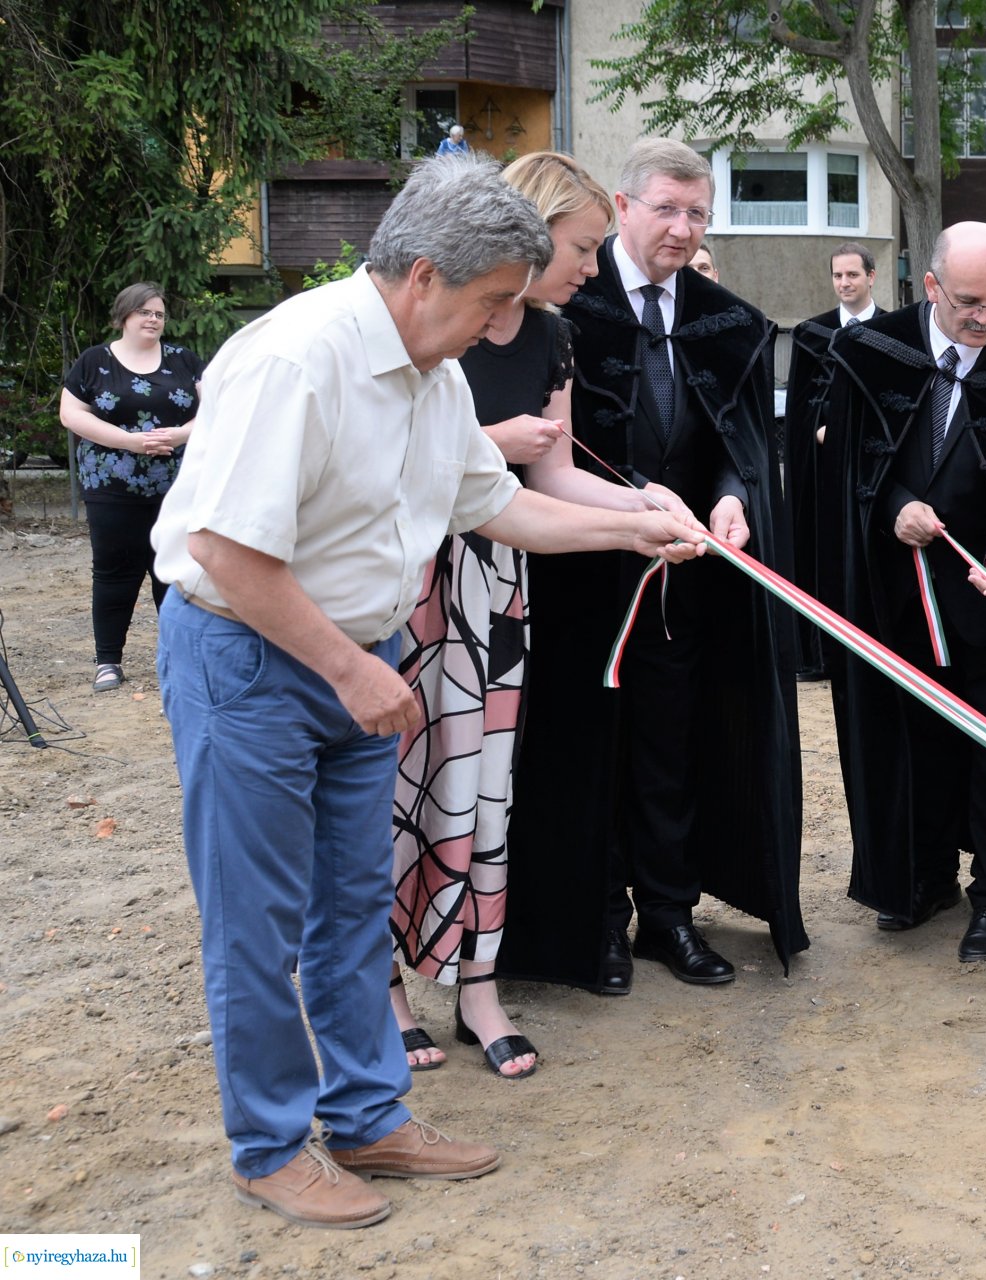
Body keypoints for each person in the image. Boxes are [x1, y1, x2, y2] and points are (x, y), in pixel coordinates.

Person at [151, 155, 705, 1229]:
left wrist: (635, 525)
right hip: (253, 658)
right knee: (257, 922)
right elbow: (224, 546)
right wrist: (353, 666)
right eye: (494, 299)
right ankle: (269, 1144)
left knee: (353, 904)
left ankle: (368, 1113)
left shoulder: (435, 374)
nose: (507, 324)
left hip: (359, 665)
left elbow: (496, 505)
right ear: (420, 275)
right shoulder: (296, 359)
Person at [387, 153, 682, 1079]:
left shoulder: (550, 335)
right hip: (414, 576)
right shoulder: (440, 319)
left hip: (503, 574)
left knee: (487, 788)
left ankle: (479, 987)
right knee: (399, 784)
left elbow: (553, 476)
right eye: (583, 247)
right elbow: (392, 452)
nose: (593, 268)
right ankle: (382, 988)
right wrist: (489, 445)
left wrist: (642, 506)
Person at [499, 137, 804, 995]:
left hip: (683, 581)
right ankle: (595, 920)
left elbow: (737, 444)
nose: (681, 227)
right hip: (574, 575)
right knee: (586, 750)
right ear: (624, 209)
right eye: (665, 208)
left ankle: (668, 915)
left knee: (673, 746)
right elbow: (545, 461)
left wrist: (736, 493)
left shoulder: (725, 322)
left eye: (697, 213)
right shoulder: (562, 310)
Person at [819, 221, 986, 963]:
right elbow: (844, 473)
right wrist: (891, 506)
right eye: (969, 300)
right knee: (909, 746)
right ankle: (918, 879)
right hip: (892, 597)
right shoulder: (870, 355)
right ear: (930, 286)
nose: (984, 317)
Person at [58, 284, 202, 692]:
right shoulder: (94, 361)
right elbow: (71, 414)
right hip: (110, 485)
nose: (153, 319)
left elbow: (216, 409)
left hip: (176, 486)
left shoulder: (184, 361)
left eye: (159, 313)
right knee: (113, 571)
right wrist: (130, 442)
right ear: (124, 316)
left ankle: (176, 659)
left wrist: (180, 436)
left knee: (171, 571)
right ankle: (108, 662)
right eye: (144, 312)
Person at [785, 241, 886, 680]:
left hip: (874, 470)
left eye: (852, 275)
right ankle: (819, 652)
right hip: (822, 469)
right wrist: (818, 430)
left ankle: (874, 649)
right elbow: (799, 408)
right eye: (838, 276)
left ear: (871, 276)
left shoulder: (894, 332)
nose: (844, 283)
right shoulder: (811, 333)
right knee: (820, 551)